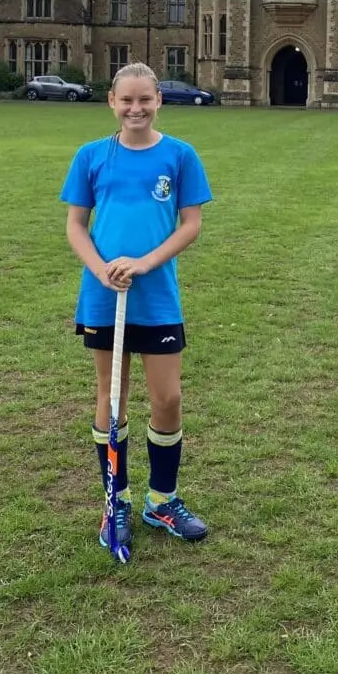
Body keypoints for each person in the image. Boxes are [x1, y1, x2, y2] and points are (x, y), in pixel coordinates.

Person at [61, 62, 212, 553]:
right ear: (111, 102)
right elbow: (76, 226)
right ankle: (116, 501)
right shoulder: (91, 156)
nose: (136, 108)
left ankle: (162, 500)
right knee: (112, 398)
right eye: (126, 100)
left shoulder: (180, 155)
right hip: (105, 296)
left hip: (156, 295)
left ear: (158, 101)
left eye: (145, 99)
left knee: (167, 399)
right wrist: (101, 268)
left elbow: (190, 224)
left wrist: (145, 262)